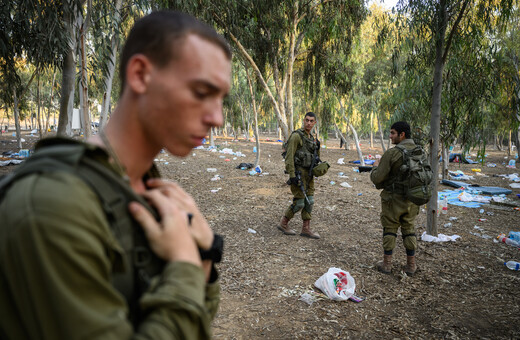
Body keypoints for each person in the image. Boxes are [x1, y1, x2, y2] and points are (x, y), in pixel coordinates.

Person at [0, 11, 231, 339]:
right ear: (140, 74)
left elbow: (189, 325)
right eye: (201, 92)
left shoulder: (142, 185)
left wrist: (204, 256)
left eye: (221, 98)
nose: (217, 118)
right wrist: (184, 265)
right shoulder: (52, 204)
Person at [370, 121, 419, 276]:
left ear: (402, 134)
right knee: (409, 229)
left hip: (393, 199)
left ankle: (387, 264)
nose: (390, 136)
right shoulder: (420, 151)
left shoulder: (393, 153)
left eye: (392, 133)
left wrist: (375, 166)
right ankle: (411, 265)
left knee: (390, 229)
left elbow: (377, 178)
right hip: (412, 199)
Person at [278, 112, 321, 239]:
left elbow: (317, 158)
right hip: (298, 174)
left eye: (311, 121)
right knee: (299, 203)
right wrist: (292, 175)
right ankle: (283, 223)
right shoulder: (297, 136)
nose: (308, 123)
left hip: (309, 175)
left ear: (314, 123)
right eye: (306, 120)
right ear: (303, 121)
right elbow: (289, 157)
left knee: (310, 201)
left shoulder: (313, 140)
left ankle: (306, 229)